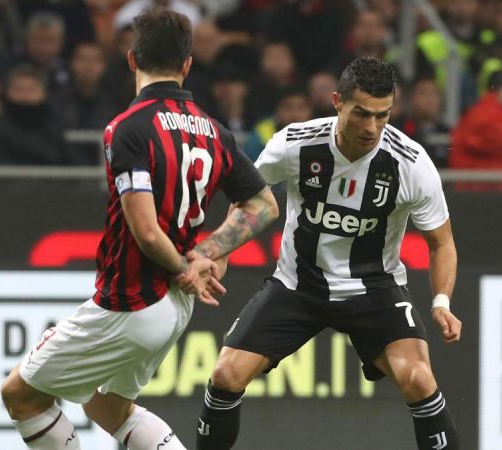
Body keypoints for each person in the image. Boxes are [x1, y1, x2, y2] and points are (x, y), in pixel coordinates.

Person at [0, 9, 278, 450]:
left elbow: (146, 232)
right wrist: (207, 253)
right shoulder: (214, 132)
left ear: (131, 59)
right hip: (175, 308)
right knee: (108, 407)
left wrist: (185, 267)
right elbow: (263, 205)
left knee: (20, 394)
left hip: (131, 299)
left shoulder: (128, 129)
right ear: (187, 64)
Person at [193, 57, 462, 450]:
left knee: (420, 379)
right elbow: (248, 198)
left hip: (375, 289)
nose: (372, 128)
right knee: (225, 375)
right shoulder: (294, 144)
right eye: (362, 113)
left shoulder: (411, 164)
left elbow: (442, 242)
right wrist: (222, 250)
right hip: (297, 285)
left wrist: (441, 302)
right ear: (338, 102)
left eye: (383, 116)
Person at [0, 65, 74, 165]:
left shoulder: (55, 128)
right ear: (7, 93)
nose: (25, 95)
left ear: (44, 93)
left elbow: (72, 161)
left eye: (32, 89)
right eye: (18, 89)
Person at [243, 85, 313, 161]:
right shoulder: (261, 134)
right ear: (277, 110)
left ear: (310, 110)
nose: (295, 114)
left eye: (301, 108)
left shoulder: (320, 134)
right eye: (288, 108)